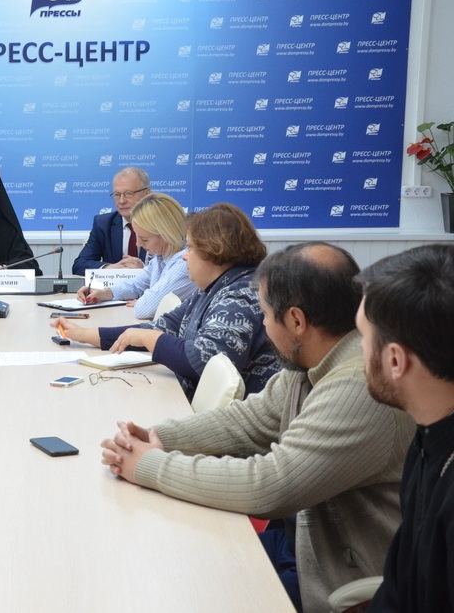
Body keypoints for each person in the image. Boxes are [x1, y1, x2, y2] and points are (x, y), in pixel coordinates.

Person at [100, 242, 414, 613]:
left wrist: (150, 465)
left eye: (265, 314)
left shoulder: (357, 387)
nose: (262, 325)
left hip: (338, 580)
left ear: (296, 321)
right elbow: (249, 421)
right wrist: (158, 438)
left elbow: (270, 485)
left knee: (188, 593)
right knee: (179, 566)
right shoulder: (313, 361)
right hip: (302, 541)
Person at [55, 203, 278, 398]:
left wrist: (150, 338)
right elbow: (165, 325)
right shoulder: (215, 288)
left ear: (214, 251)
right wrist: (85, 335)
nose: (184, 255)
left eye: (191, 248)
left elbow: (204, 361)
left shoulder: (240, 295)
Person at [357, 244, 454, 613]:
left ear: (395, 359)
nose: (359, 350)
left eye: (362, 338)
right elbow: (400, 586)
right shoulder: (428, 436)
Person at [76, 193, 196, 320]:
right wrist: (104, 293)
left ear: (166, 234)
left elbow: (144, 309)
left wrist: (142, 301)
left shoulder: (185, 262)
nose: (138, 244)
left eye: (144, 239)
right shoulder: (161, 257)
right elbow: (136, 284)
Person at [71, 167, 151, 274]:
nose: (121, 201)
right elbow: (80, 265)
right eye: (117, 195)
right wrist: (112, 268)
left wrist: (144, 270)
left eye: (128, 194)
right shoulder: (103, 224)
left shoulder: (163, 223)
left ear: (147, 193)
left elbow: (171, 266)